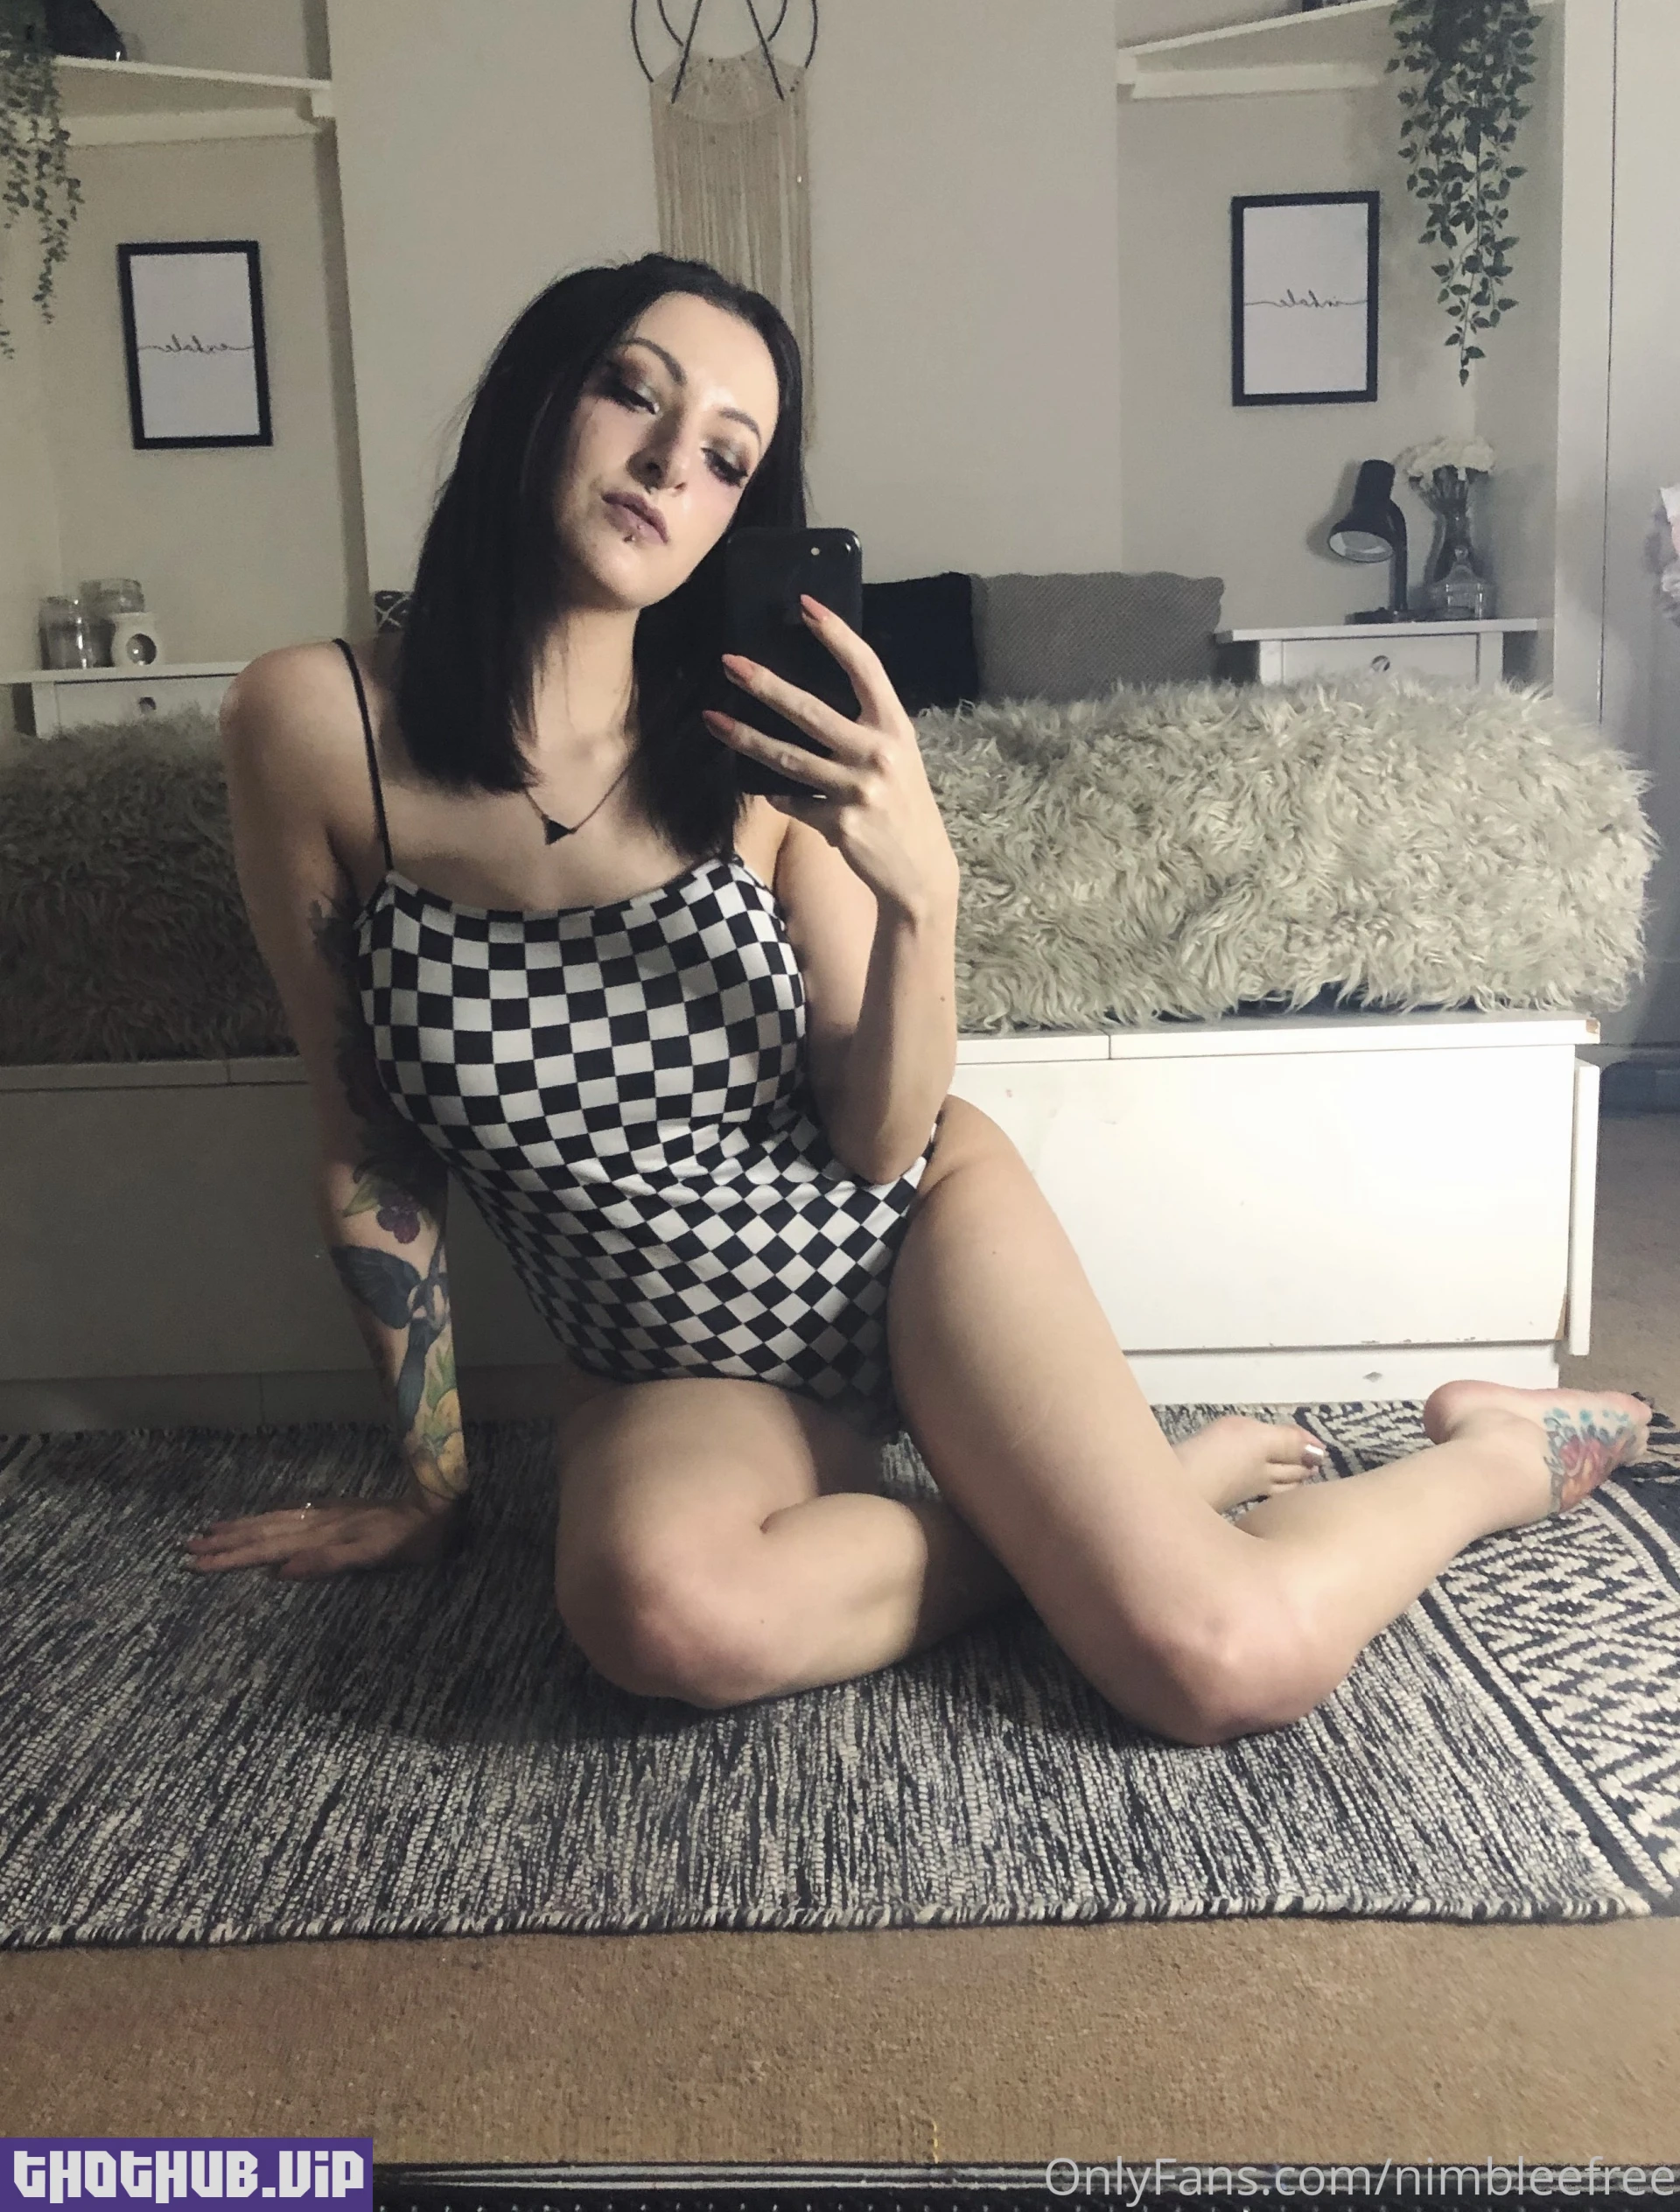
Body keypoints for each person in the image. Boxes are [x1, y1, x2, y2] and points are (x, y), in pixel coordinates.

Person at [196, 251, 1651, 1746]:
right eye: (633, 392)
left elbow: (880, 1139)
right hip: (666, 1362)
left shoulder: (755, 744)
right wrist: (431, 1487)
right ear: (533, 400)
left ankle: (1495, 1456)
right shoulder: (314, 725)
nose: (670, 463)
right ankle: (1142, 1503)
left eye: (726, 457)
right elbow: (372, 1150)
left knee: (1225, 1664)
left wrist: (922, 892)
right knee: (656, 1617)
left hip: (904, 1243)